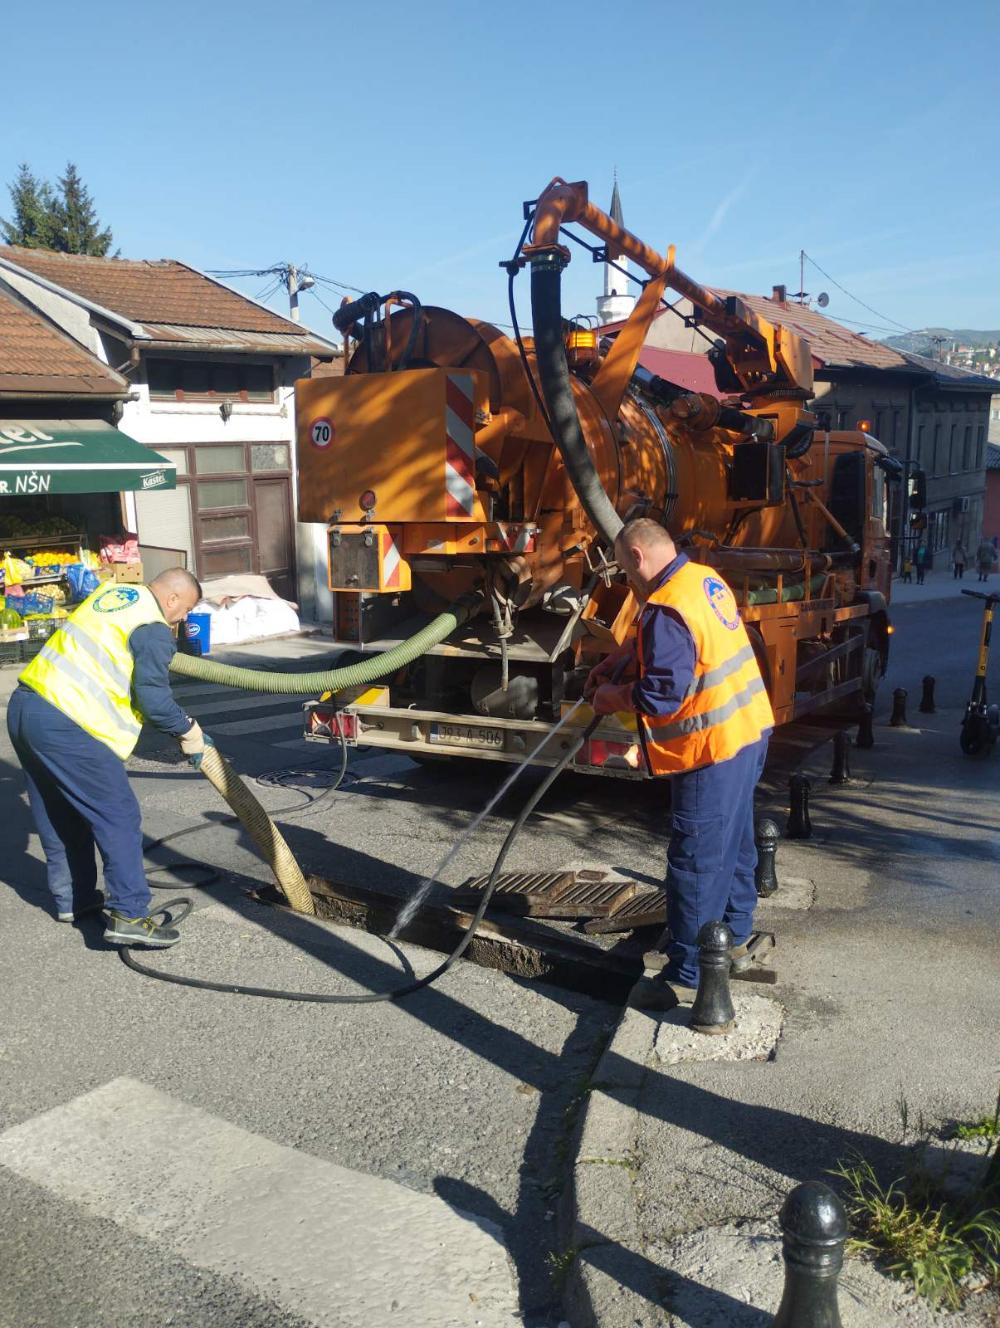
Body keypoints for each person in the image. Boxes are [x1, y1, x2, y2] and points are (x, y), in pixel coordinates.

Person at [584, 518, 774, 1009]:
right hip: (748, 730)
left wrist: (611, 695)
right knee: (734, 841)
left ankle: (690, 970)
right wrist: (626, 653)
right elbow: (689, 644)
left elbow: (662, 695)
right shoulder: (702, 579)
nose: (627, 578)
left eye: (625, 568)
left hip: (708, 748)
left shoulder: (665, 607)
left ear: (639, 557)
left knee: (695, 859)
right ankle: (733, 935)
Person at [7, 568, 210, 947]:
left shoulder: (115, 596)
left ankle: (74, 900)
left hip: (25, 708)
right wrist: (189, 731)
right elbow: (154, 701)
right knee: (118, 815)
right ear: (171, 599)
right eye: (186, 609)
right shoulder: (151, 626)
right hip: (68, 722)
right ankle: (130, 915)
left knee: (59, 812)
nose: (184, 619)